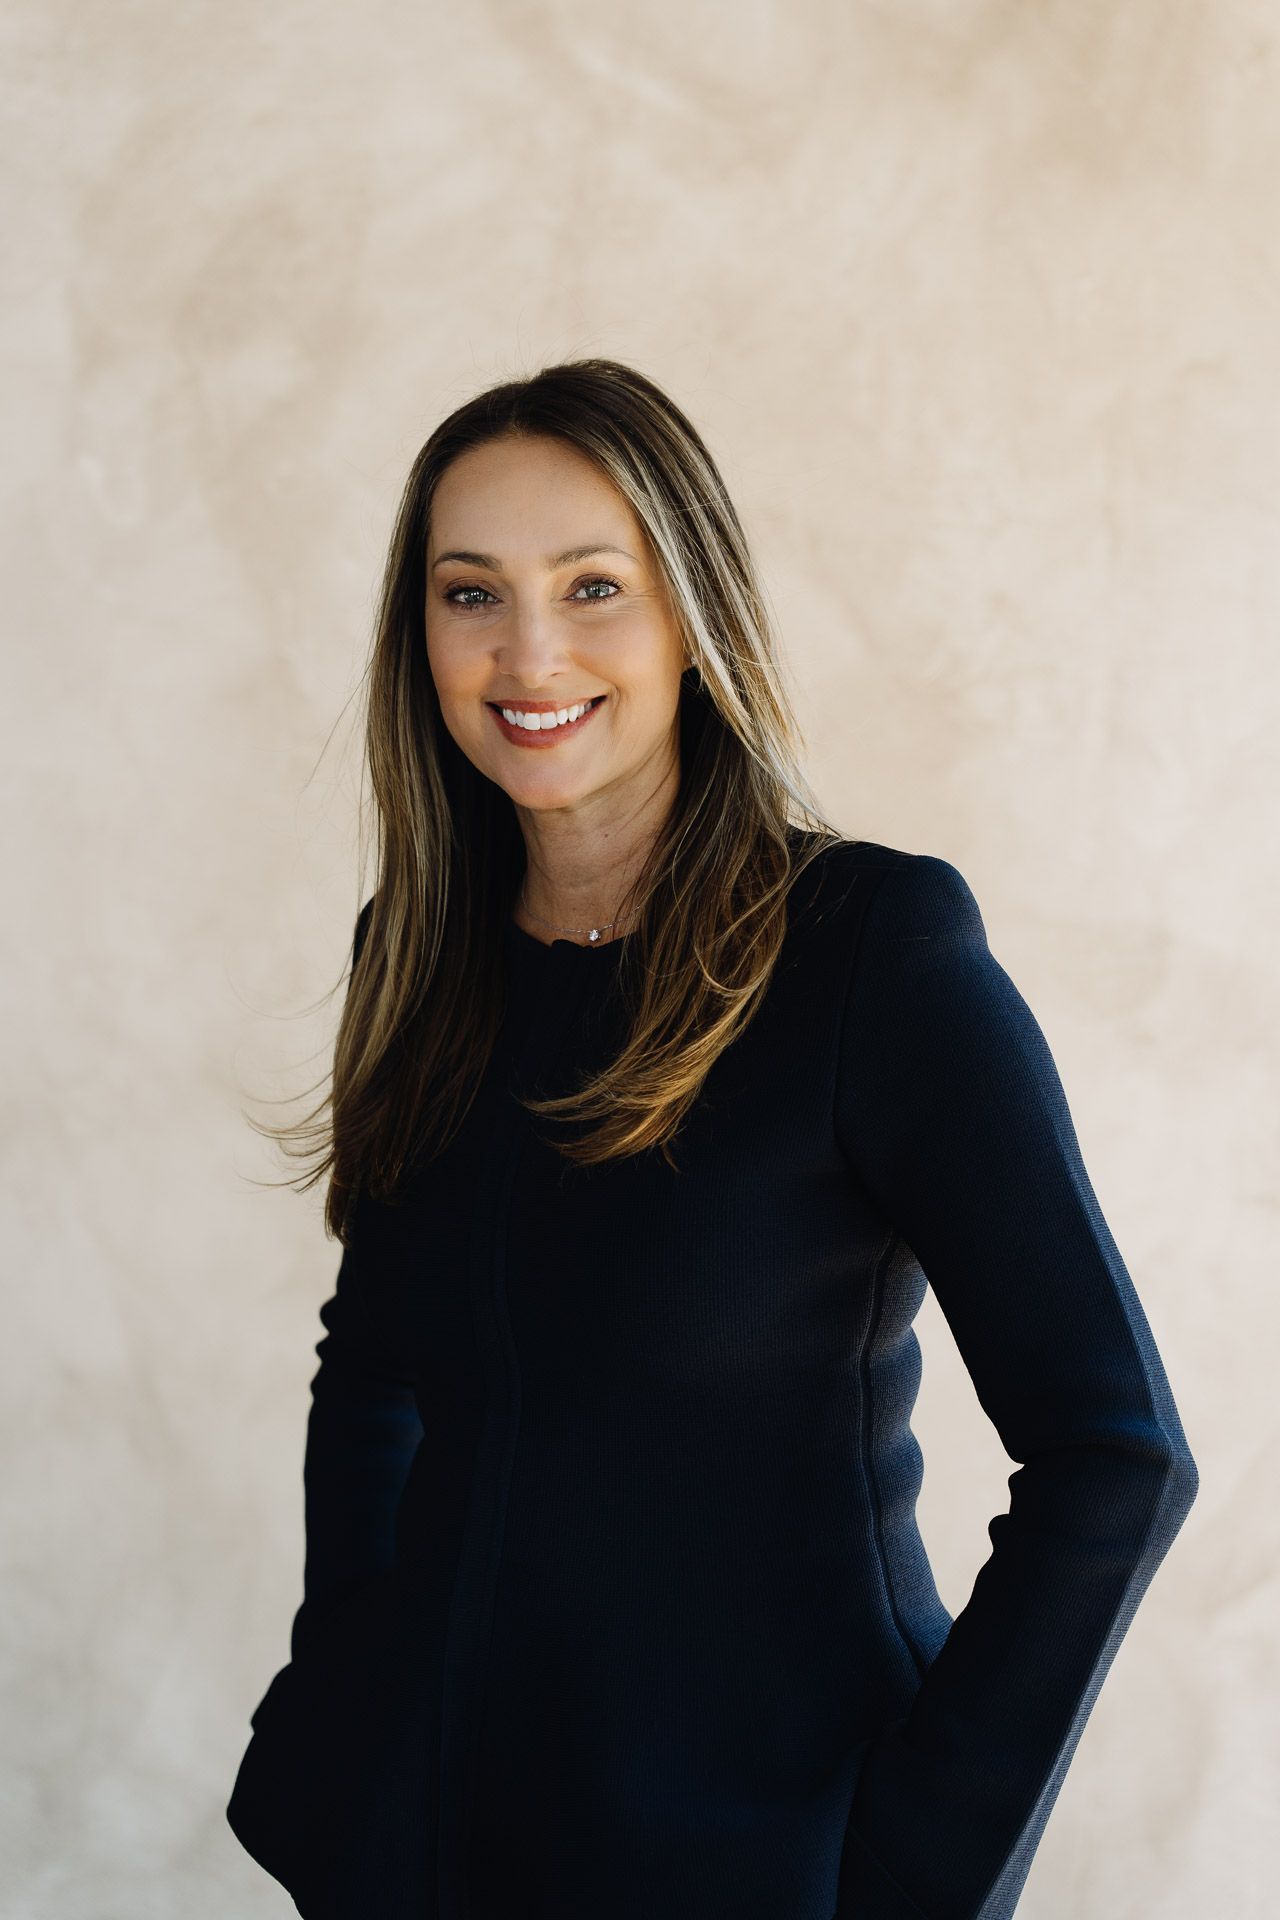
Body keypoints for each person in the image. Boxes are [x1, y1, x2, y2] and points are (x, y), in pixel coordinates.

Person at [225, 358, 1199, 1920]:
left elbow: (1115, 1451)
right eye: (469, 594)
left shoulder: (872, 955)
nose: (527, 651)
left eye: (592, 585)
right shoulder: (417, 950)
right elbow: (382, 1363)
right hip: (439, 1850)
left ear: (693, 611)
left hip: (762, 1858)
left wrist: (909, 1868)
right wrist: (348, 1705)